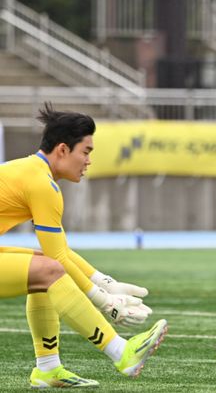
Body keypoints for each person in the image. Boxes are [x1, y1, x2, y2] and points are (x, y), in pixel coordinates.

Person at [0, 103, 168, 388]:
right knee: (48, 270)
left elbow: (58, 252)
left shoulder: (34, 174)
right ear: (63, 150)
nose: (89, 161)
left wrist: (106, 283)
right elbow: (59, 258)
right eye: (86, 152)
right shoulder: (42, 184)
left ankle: (48, 368)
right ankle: (121, 352)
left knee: (43, 268)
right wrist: (105, 302)